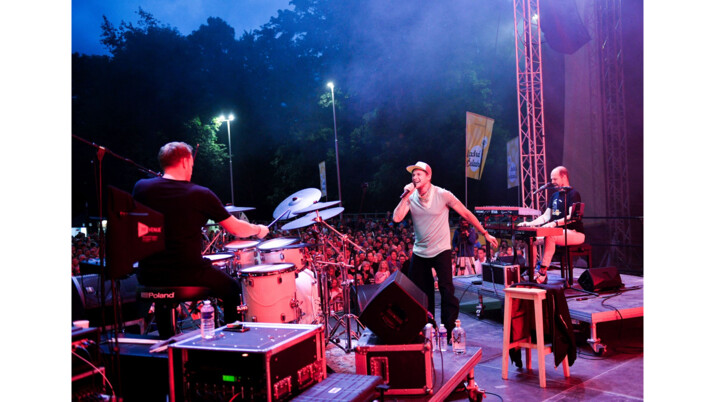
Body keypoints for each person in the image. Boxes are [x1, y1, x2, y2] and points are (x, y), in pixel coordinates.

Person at [133, 142, 269, 338]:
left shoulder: (141, 188)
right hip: (187, 272)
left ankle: (166, 339)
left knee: (164, 296)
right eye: (191, 164)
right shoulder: (199, 194)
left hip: (148, 275)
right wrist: (259, 229)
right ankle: (232, 342)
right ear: (185, 162)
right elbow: (236, 229)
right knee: (232, 289)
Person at [393, 161, 498, 341]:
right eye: (413, 175)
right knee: (421, 293)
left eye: (419, 174)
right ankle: (427, 329)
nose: (415, 177)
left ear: (428, 176)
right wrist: (405, 197)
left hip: (441, 249)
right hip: (420, 251)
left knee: (446, 290)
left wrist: (485, 233)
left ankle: (449, 331)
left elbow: (466, 213)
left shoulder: (442, 194)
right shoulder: (410, 197)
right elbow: (397, 218)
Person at [517, 166, 585, 284]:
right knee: (530, 238)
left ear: (564, 177)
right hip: (558, 232)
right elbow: (545, 216)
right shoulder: (554, 196)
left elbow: (571, 216)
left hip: (575, 233)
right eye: (551, 179)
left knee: (551, 235)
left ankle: (542, 272)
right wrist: (529, 224)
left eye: (555, 179)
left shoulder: (573, 194)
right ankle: (530, 270)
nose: (552, 182)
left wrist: (555, 223)